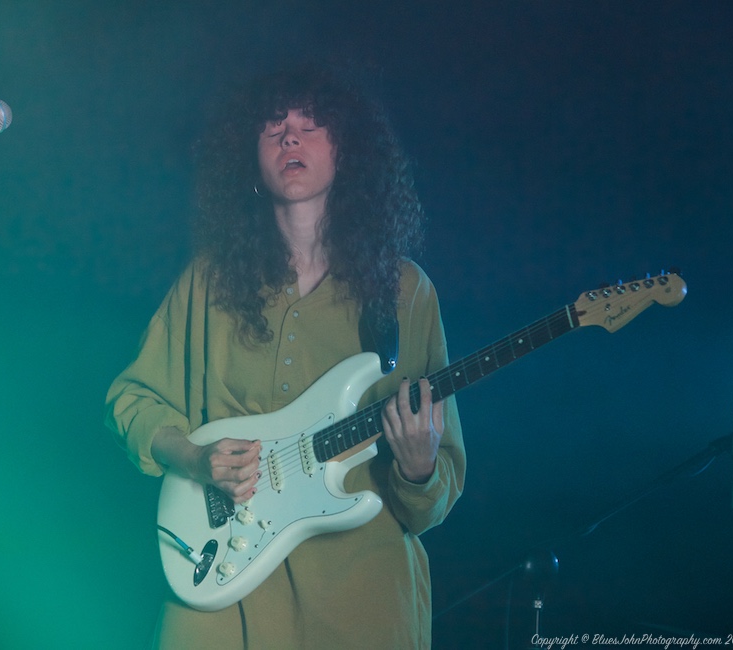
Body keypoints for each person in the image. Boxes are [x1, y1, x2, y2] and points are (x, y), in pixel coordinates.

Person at [105, 63, 466, 649]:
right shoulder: (208, 283)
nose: (289, 138)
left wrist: (420, 467)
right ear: (249, 157)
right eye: (273, 128)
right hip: (225, 589)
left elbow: (438, 487)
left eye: (310, 125)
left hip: (359, 594)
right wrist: (195, 459)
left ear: (347, 151)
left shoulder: (404, 292)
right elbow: (130, 400)